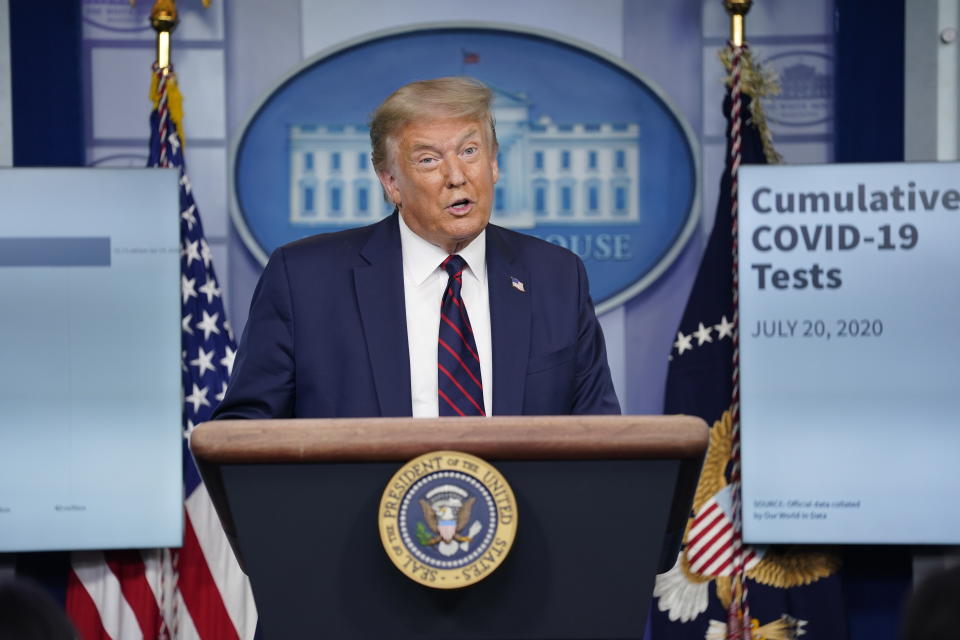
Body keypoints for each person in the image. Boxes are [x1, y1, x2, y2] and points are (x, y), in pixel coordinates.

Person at [214, 76, 619, 420]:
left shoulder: (556, 276)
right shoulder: (303, 279)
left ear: (494, 163)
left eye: (469, 151)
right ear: (391, 182)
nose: (457, 176)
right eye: (428, 160)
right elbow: (245, 432)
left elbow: (600, 434)